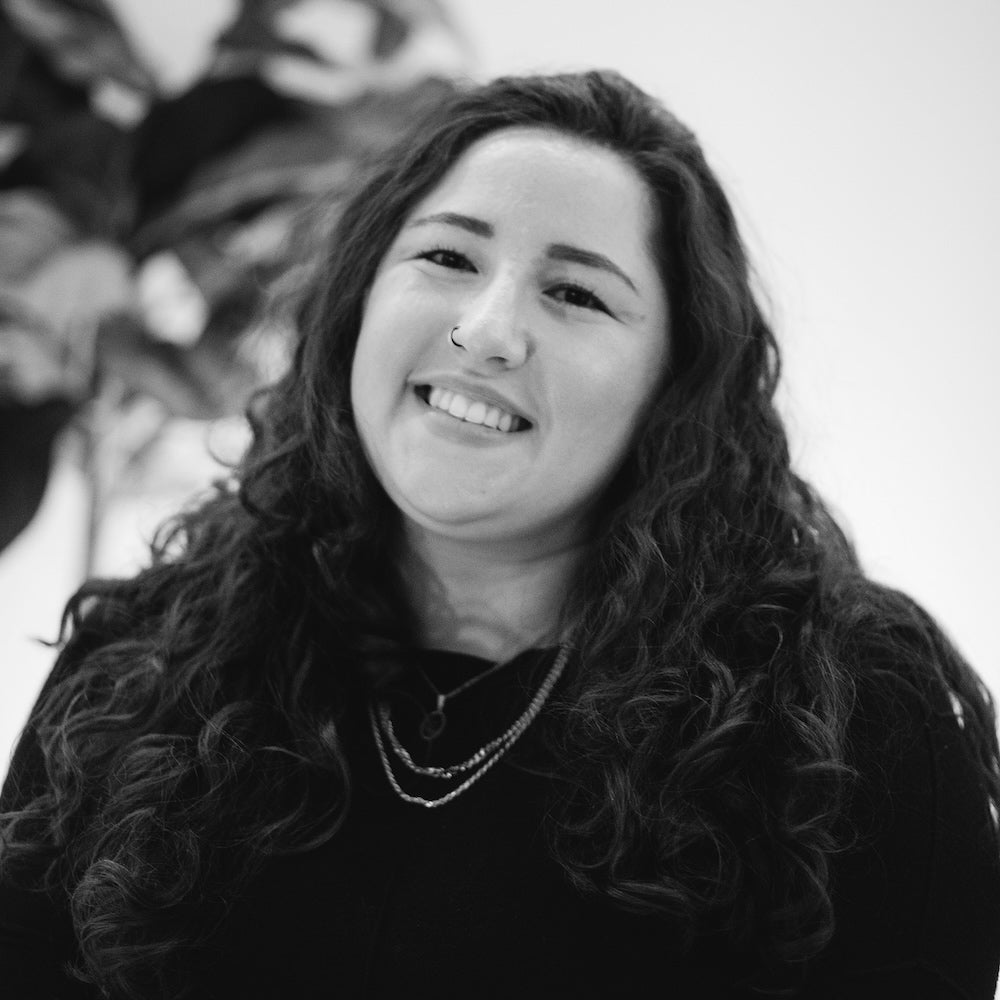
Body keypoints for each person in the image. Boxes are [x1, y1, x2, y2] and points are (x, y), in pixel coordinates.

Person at [2, 68, 999, 999]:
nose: (484, 330)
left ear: (674, 383)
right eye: (447, 257)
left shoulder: (846, 719)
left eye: (576, 293)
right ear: (357, 304)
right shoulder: (139, 665)